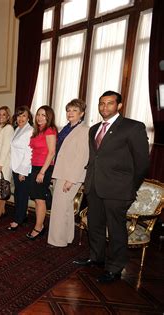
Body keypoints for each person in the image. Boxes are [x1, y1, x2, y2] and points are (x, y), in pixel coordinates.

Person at [74, 91, 149, 283]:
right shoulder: (94, 129)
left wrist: (130, 188)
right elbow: (94, 158)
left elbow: (142, 163)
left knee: (116, 230)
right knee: (95, 225)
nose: (104, 107)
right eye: (101, 104)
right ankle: (96, 257)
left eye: (109, 103)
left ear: (119, 106)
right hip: (95, 186)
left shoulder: (133, 127)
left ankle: (115, 267)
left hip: (118, 190)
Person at [47, 99, 89, 246]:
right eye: (68, 110)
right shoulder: (66, 128)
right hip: (61, 172)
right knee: (65, 207)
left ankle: (57, 240)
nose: (70, 113)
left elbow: (82, 157)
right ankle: (67, 237)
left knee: (59, 208)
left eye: (74, 110)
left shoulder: (84, 130)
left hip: (71, 175)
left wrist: (71, 179)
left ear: (82, 113)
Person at [27, 105, 57, 240]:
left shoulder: (49, 130)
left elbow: (51, 153)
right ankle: (39, 225)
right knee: (37, 197)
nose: (39, 117)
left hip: (43, 168)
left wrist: (42, 172)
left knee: (40, 199)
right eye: (38, 114)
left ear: (49, 117)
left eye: (43, 115)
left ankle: (39, 227)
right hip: (35, 167)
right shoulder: (37, 131)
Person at [8, 106, 34, 231]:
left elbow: (29, 153)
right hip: (15, 166)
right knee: (18, 193)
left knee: (22, 194)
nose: (21, 118)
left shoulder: (30, 130)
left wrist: (23, 171)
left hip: (23, 168)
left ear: (28, 117)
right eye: (19, 115)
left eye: (24, 115)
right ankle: (21, 216)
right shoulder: (18, 128)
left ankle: (18, 219)